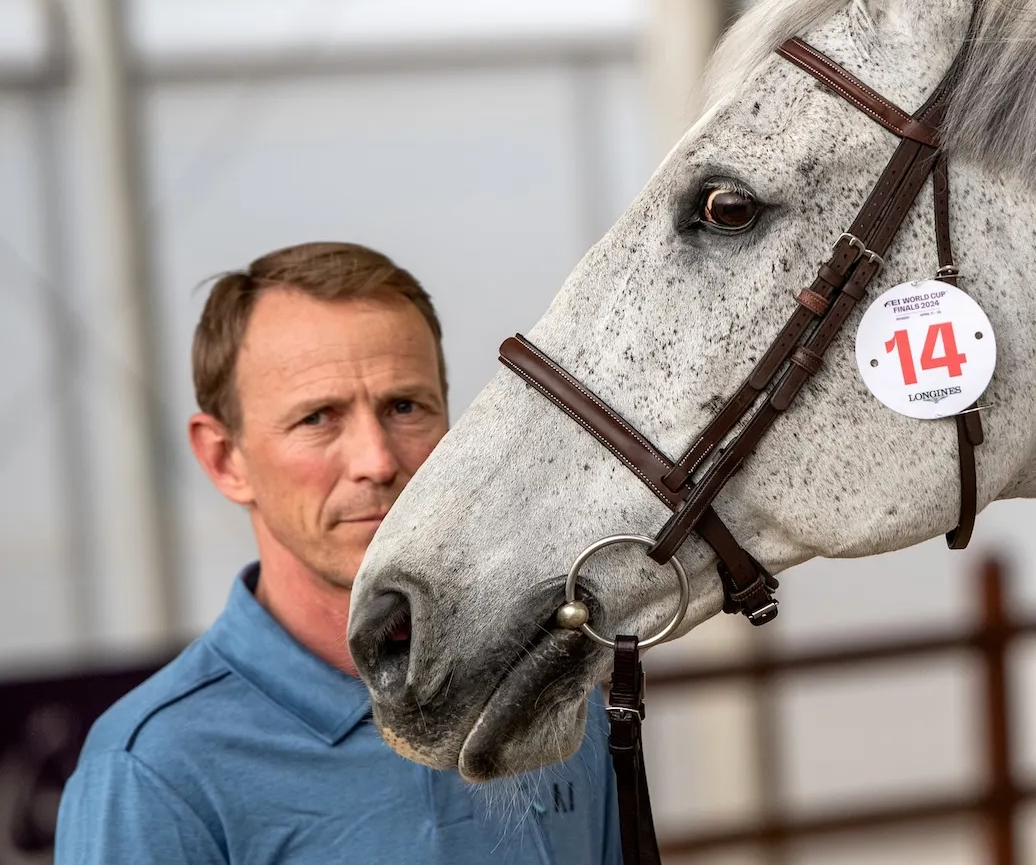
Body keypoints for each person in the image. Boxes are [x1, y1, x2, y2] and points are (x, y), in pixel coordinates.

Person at [56, 242, 620, 864]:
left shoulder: (545, 699)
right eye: (318, 418)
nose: (377, 461)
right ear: (224, 459)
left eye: (405, 407)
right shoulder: (152, 770)